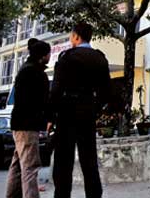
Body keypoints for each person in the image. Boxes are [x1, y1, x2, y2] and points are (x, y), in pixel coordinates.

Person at [49, 23, 112, 198]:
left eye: (71, 36)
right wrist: (95, 108)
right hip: (88, 112)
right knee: (89, 161)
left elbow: (56, 90)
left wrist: (50, 116)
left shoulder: (66, 57)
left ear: (76, 36)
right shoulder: (99, 58)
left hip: (66, 113)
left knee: (63, 162)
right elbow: (106, 91)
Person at [6, 38, 51, 198]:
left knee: (18, 164)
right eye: (48, 53)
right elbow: (42, 101)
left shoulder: (26, 70)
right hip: (28, 125)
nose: (49, 56)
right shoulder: (35, 73)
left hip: (20, 123)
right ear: (42, 55)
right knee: (30, 166)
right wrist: (47, 118)